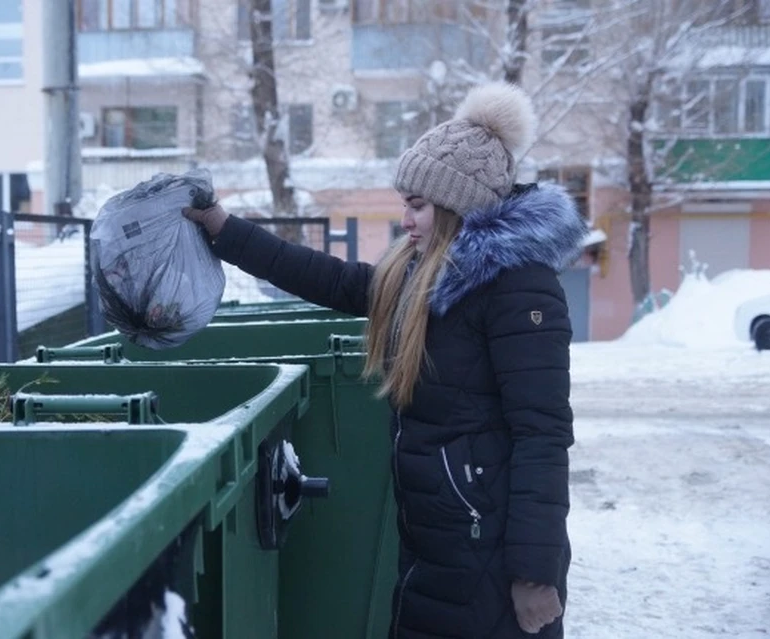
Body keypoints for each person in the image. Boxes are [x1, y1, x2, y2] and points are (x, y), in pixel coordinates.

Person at [183, 81, 585, 639]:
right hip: (434, 541)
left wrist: (536, 574)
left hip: (486, 553)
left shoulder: (520, 289)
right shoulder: (425, 279)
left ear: (455, 204)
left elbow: (543, 434)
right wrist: (225, 231)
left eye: (417, 205)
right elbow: (331, 278)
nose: (406, 219)